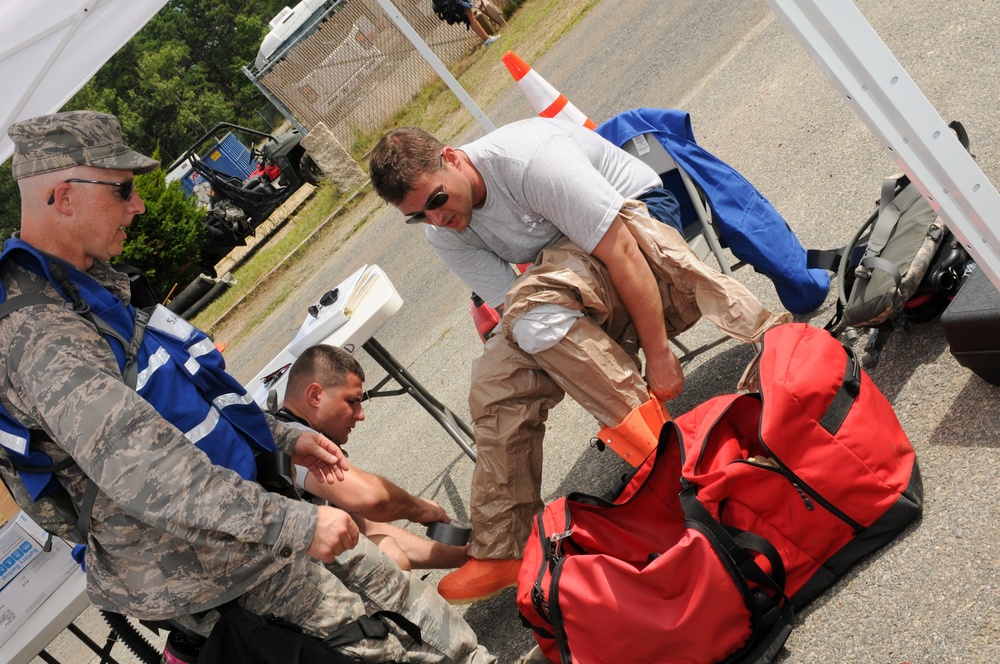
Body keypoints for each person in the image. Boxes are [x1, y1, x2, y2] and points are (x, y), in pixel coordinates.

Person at [0, 110, 493, 663]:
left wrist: (280, 436)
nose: (137, 205)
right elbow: (147, 470)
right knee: (384, 648)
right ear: (65, 198)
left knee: (416, 610)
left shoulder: (86, 287)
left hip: (258, 514)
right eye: (124, 189)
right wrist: (294, 520)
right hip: (217, 565)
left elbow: (185, 394)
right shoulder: (39, 335)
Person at [369, 118, 791, 603]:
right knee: (495, 377)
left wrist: (658, 357)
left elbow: (623, 251)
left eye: (437, 200)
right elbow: (514, 311)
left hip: (640, 226)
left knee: (538, 319)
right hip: (561, 278)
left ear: (452, 157)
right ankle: (504, 549)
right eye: (419, 215)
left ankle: (675, 472)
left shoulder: (531, 162)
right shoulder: (443, 233)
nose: (437, 219)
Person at [275, 343, 470, 571]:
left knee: (381, 547)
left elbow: (364, 529)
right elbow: (371, 497)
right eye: (351, 402)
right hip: (279, 580)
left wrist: (462, 556)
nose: (361, 415)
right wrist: (420, 509)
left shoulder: (293, 428)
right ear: (315, 395)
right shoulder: (293, 438)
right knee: (386, 557)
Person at [432, 0, 501, 47]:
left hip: (451, 3)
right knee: (471, 18)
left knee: (471, 18)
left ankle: (487, 39)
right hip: (455, 2)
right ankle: (488, 40)